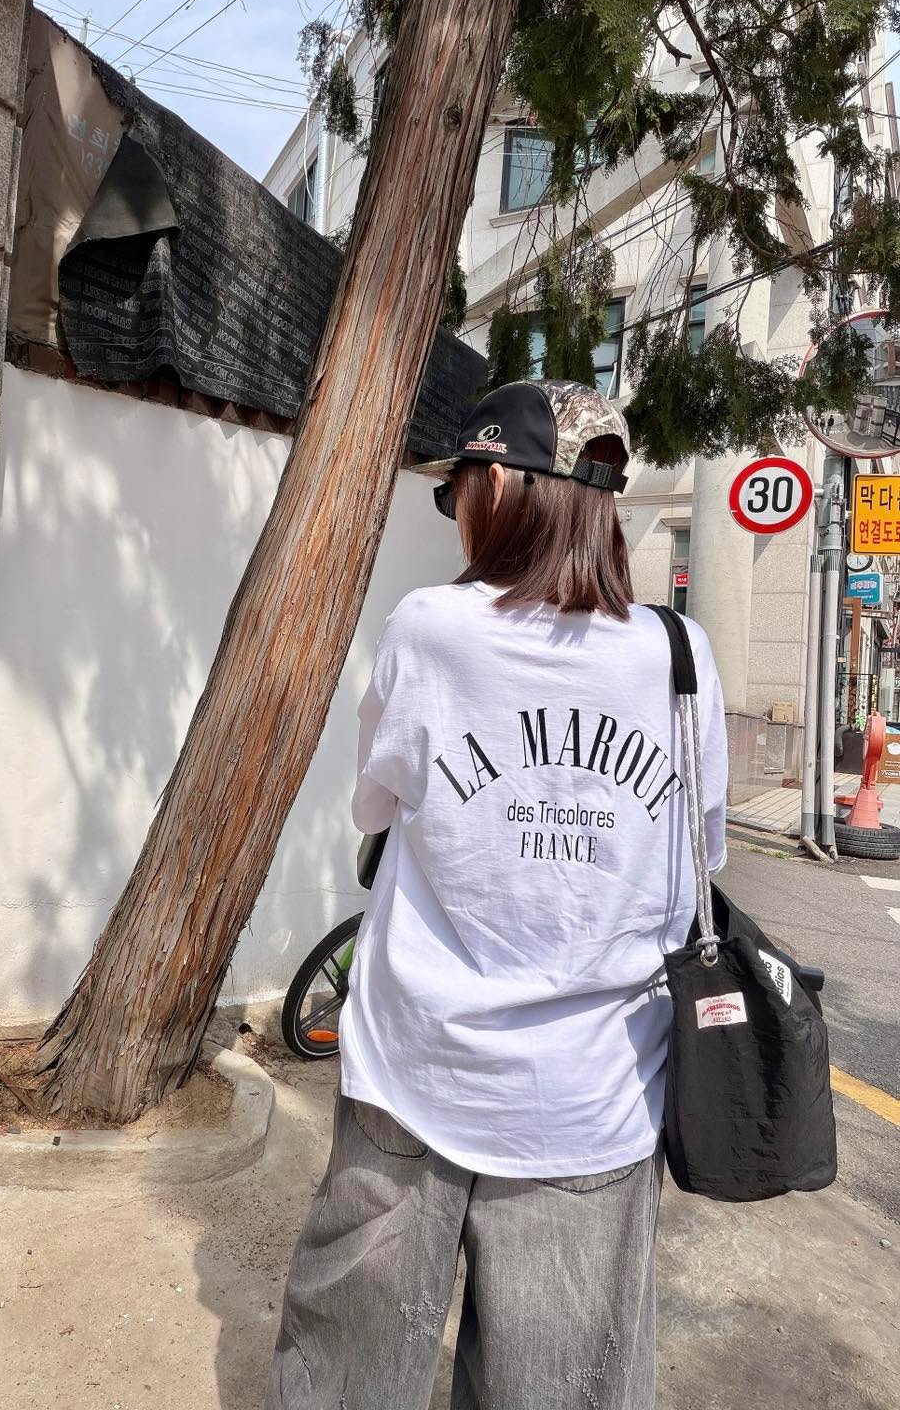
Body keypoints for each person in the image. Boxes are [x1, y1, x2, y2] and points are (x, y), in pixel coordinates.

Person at [265, 379, 728, 1410]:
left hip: (419, 1066)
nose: (457, 510)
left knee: (347, 1371)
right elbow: (699, 854)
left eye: (458, 490)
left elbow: (375, 802)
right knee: (562, 1387)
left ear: (505, 486)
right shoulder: (680, 654)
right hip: (599, 1089)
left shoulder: (432, 628)